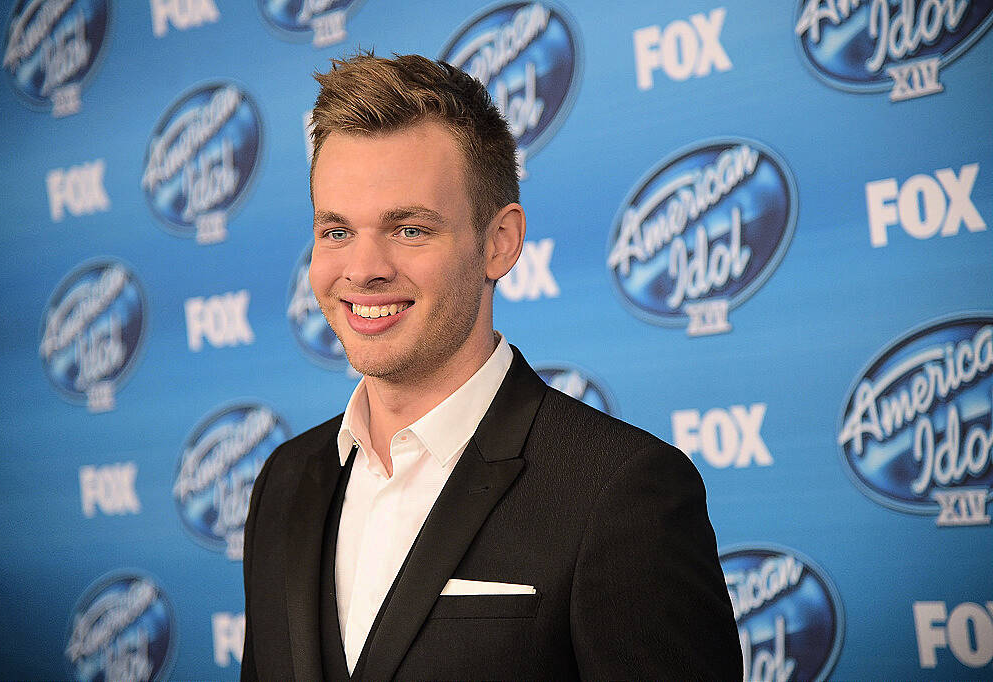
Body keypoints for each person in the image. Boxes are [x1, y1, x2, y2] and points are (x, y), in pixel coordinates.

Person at [241, 52, 741, 681]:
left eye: (410, 229)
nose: (363, 268)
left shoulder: (619, 494)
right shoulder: (283, 484)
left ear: (499, 243)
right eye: (336, 231)